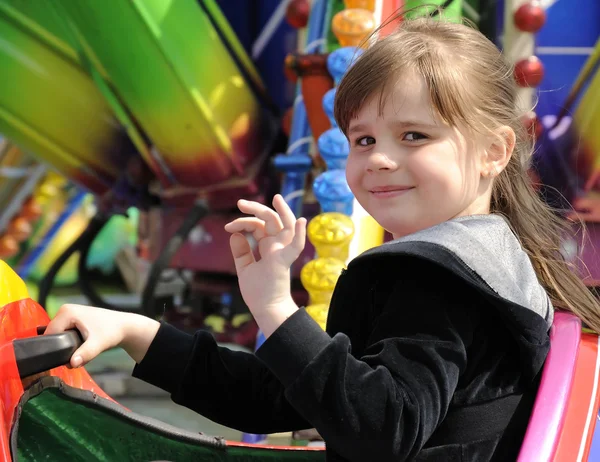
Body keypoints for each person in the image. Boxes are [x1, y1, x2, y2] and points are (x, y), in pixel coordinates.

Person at [45, 16, 600, 462]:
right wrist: (133, 330)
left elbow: (380, 433)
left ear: (494, 152)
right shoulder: (491, 260)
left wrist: (275, 309)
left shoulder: (439, 278)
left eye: (414, 136)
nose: (380, 159)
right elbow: (281, 395)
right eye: (362, 138)